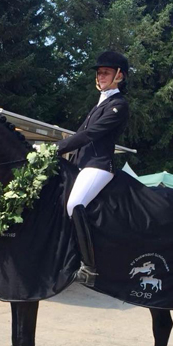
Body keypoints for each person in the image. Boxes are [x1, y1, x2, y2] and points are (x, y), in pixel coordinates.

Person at [58, 50, 129, 286]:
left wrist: (56, 147)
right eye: (99, 73)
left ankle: (89, 266)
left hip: (98, 165)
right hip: (81, 165)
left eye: (106, 72)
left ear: (120, 75)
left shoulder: (118, 104)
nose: (101, 76)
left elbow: (90, 135)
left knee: (74, 204)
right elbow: (79, 134)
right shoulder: (100, 104)